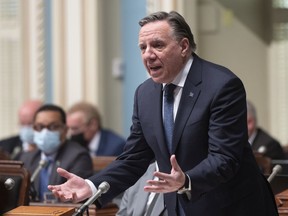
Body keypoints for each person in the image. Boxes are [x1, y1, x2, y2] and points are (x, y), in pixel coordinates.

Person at [48, 11, 278, 215]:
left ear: (184, 46)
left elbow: (225, 158)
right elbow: (134, 157)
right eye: (142, 47)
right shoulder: (145, 94)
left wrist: (186, 180)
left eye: (157, 45)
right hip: (178, 207)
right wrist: (91, 186)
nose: (148, 54)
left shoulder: (221, 85)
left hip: (230, 206)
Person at [20, 104, 93, 202]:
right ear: (34, 129)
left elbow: (76, 199)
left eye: (53, 126)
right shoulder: (27, 158)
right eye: (40, 127)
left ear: (65, 130)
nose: (45, 132)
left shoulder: (78, 157)